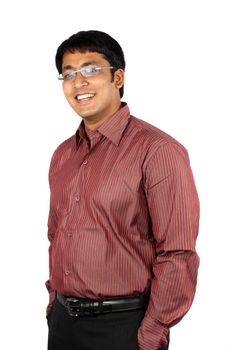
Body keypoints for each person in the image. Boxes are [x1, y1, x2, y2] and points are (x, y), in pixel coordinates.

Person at [45, 30, 200, 350]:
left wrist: (153, 331)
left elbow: (178, 253)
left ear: (118, 77)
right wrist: (53, 304)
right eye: (69, 73)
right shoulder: (62, 155)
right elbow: (56, 234)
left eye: (90, 69)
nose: (78, 81)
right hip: (62, 325)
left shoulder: (158, 151)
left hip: (125, 329)